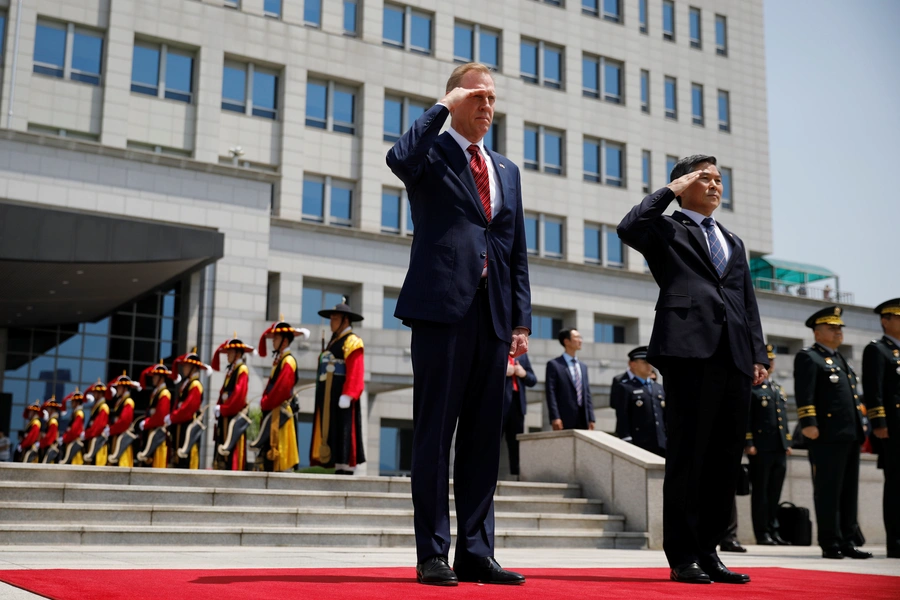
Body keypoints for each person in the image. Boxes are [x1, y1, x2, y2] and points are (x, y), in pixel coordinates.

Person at [386, 62, 531, 586]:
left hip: (493, 319)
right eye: (478, 96)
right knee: (434, 435)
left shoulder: (507, 170)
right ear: (455, 97)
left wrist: (521, 319)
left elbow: (514, 250)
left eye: (492, 98)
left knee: (480, 441)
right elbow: (397, 158)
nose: (487, 107)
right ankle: (432, 554)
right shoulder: (431, 152)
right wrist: (445, 104)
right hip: (441, 310)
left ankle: (476, 551)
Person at [617, 154, 768, 585]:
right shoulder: (666, 228)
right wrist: (670, 192)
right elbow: (628, 227)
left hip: (735, 356)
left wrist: (758, 354)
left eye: (720, 179)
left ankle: (710, 550)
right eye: (706, 179)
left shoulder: (733, 240)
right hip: (689, 352)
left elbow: (746, 301)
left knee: (724, 459)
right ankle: (683, 556)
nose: (716, 186)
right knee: (690, 455)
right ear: (684, 185)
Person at [795, 306, 871, 560]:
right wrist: (808, 422)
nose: (838, 331)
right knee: (828, 490)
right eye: (832, 327)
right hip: (825, 435)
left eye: (840, 327)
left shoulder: (840, 360)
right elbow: (805, 393)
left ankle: (848, 539)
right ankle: (830, 542)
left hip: (849, 435)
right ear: (817, 332)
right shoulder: (809, 357)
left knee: (848, 491)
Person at [862, 298, 900, 558]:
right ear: (885, 320)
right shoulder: (878, 350)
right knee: (896, 485)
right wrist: (879, 422)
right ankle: (895, 541)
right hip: (893, 428)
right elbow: (873, 389)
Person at [310, 303, 367, 475]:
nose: (331, 322)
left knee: (344, 432)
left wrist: (349, 394)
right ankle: (337, 465)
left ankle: (346, 468)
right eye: (332, 318)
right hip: (329, 397)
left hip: (342, 397)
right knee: (332, 431)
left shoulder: (352, 341)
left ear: (345, 320)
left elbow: (356, 369)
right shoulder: (333, 341)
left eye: (335, 318)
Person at [746, 344, 792, 546]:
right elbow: (747, 417)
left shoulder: (777, 388)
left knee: (775, 492)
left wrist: (787, 442)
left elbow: (783, 418)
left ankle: (774, 531)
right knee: (761, 493)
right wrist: (749, 441)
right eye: (767, 360)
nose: (770, 363)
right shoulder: (753, 387)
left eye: (772, 360)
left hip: (778, 447)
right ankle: (762, 533)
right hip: (760, 447)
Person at [256, 320, 309, 472]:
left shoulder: (288, 361)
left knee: (279, 457)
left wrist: (265, 402)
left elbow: (282, 390)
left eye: (276, 338)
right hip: (274, 414)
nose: (273, 341)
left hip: (280, 415)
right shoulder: (281, 360)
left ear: (285, 341)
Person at [612, 346, 666, 458]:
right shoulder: (626, 387)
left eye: (650, 362)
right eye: (645, 362)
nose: (649, 366)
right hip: (639, 442)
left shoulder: (659, 388)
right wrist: (626, 439)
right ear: (633, 364)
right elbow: (623, 416)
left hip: (661, 442)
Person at [211, 336, 254, 471]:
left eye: (230, 352)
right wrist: (219, 407)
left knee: (233, 455)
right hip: (226, 417)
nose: (227, 355)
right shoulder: (232, 371)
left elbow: (238, 396)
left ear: (238, 354)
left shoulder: (242, 370)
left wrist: (223, 408)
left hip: (234, 417)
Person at [167, 349, 209, 469]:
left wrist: (173, 416)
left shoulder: (195, 385)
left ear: (193, 368)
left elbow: (188, 408)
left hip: (188, 426)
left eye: (187, 366)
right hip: (181, 426)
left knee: (186, 459)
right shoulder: (187, 383)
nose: (184, 368)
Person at [546, 329, 595, 431]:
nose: (580, 340)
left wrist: (591, 418)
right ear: (566, 341)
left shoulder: (583, 367)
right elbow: (551, 393)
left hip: (583, 418)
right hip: (564, 418)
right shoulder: (554, 365)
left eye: (580, 337)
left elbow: (587, 394)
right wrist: (555, 417)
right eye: (576, 337)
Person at [503, 352, 536, 477]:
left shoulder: (522, 356)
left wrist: (523, 373)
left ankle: (516, 476)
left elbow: (533, 380)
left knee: (516, 444)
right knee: (492, 443)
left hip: (517, 405)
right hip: (499, 405)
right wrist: (502, 370)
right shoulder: (497, 350)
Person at [137, 369, 171, 468]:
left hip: (158, 436)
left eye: (155, 376)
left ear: (161, 378)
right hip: (151, 431)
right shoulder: (157, 392)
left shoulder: (164, 393)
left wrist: (147, 423)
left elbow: (160, 417)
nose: (153, 379)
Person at [83, 380, 111, 466]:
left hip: (99, 443)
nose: (94, 394)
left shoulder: (103, 406)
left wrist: (86, 434)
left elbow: (98, 427)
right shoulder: (97, 407)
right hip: (93, 441)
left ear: (100, 394)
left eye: (95, 392)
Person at [59, 390, 88, 464]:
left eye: (73, 402)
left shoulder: (79, 413)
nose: (71, 404)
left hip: (75, 444)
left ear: (77, 403)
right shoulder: (75, 414)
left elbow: (74, 431)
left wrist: (65, 438)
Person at [38, 397, 62, 464]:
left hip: (50, 449)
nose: (47, 410)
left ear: (52, 409)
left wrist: (41, 443)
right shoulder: (50, 421)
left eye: (48, 408)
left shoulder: (53, 421)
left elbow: (50, 438)